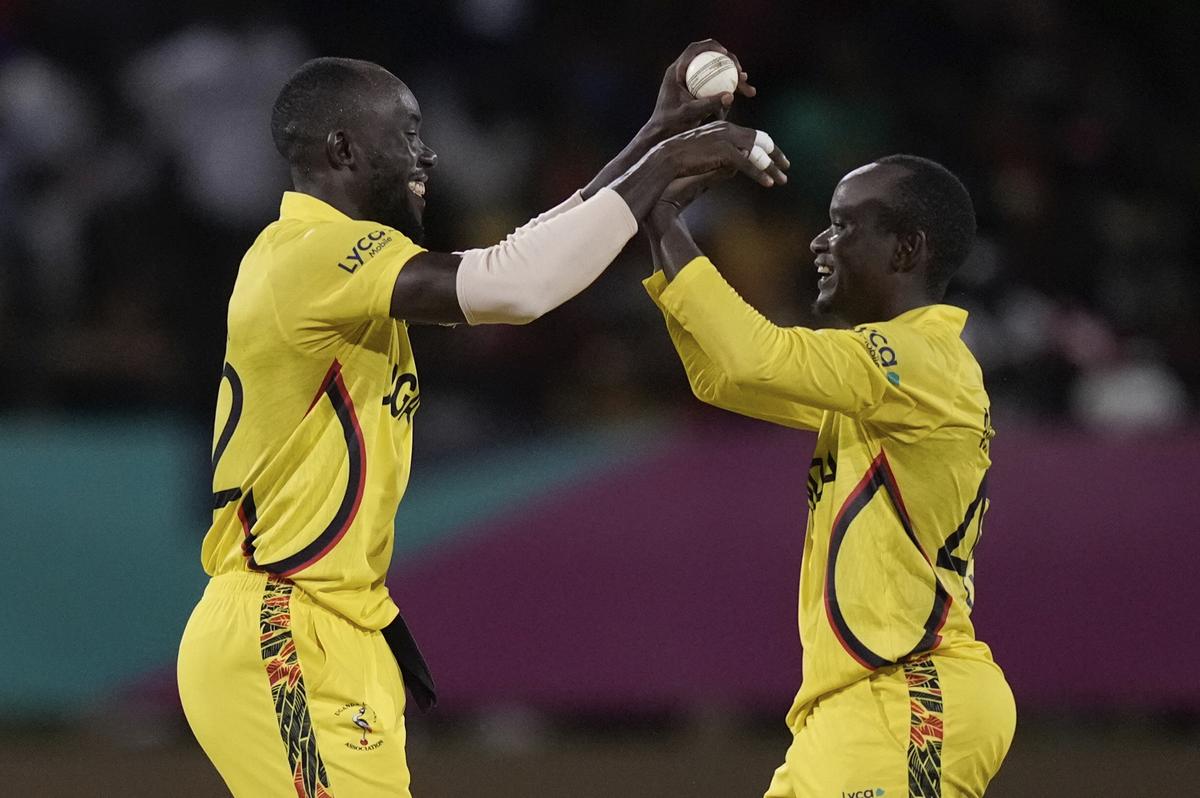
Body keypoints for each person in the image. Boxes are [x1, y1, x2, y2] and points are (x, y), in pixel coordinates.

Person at [175, 43, 789, 798]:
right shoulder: (308, 253)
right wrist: (663, 166)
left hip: (335, 628)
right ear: (341, 148)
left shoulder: (333, 259)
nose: (425, 152)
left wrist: (652, 138)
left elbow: (521, 255)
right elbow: (518, 287)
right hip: (284, 624)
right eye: (405, 132)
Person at [642, 155, 1014, 797]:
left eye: (843, 226)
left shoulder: (921, 361)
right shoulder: (885, 381)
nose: (820, 242)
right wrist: (659, 227)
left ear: (907, 249)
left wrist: (665, 213)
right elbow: (724, 376)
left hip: (910, 693)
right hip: (850, 710)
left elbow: (755, 358)